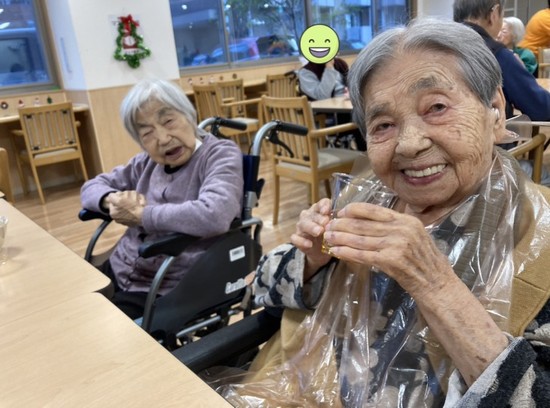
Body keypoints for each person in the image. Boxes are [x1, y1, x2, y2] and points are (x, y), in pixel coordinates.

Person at [217, 18, 550, 407]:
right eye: (384, 125)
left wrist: (434, 284)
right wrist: (312, 262)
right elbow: (258, 288)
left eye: (437, 107)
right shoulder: (364, 196)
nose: (409, 144)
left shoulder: (538, 234)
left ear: (494, 109)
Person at [81, 78, 244, 319]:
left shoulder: (219, 154)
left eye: (168, 121)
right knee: (70, 303)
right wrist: (113, 200)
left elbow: (215, 213)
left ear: (189, 115)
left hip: (167, 284)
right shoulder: (144, 163)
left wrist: (142, 216)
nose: (163, 138)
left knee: (97, 327)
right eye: (147, 133)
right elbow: (91, 187)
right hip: (120, 266)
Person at [454, 0, 550, 121]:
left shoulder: (438, 47)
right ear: (494, 14)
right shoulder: (498, 55)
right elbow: (542, 109)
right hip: (487, 131)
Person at [298, 57, 367, 151]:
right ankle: (361, 153)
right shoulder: (306, 72)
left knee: (365, 113)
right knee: (358, 118)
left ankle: (365, 153)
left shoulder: (340, 64)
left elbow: (351, 85)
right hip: (327, 112)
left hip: (347, 102)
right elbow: (322, 96)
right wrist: (329, 68)